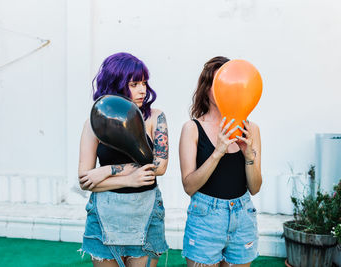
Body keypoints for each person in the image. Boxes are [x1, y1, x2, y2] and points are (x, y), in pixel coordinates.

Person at [78, 52, 169, 267]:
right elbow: (85, 180)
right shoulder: (94, 123)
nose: (142, 90)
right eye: (134, 83)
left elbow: (159, 166)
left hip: (145, 212)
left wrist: (106, 171)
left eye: (144, 83)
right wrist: (129, 179)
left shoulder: (155, 117)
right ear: (116, 84)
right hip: (104, 214)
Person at [179, 56, 262, 267]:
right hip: (205, 218)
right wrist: (218, 152)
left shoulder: (251, 130)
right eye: (219, 82)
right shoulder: (192, 129)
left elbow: (255, 188)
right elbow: (189, 186)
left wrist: (248, 155)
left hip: (243, 216)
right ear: (207, 88)